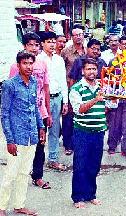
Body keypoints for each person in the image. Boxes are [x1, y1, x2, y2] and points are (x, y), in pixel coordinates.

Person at [0, 51, 46, 216]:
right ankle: (2, 207)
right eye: (25, 63)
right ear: (18, 65)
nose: (28, 66)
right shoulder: (9, 85)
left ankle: (19, 205)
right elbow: (4, 114)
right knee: (10, 174)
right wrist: (9, 140)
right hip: (16, 138)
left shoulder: (34, 82)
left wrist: (41, 128)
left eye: (31, 63)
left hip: (31, 136)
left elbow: (35, 108)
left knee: (24, 173)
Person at [9, 33, 52, 189]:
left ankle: (38, 176)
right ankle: (18, 177)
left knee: (40, 145)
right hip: (22, 115)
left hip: (39, 112)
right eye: (31, 45)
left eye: (36, 45)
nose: (34, 48)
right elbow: (12, 93)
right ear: (24, 46)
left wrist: (48, 112)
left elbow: (46, 88)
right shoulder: (16, 67)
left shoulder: (42, 64)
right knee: (21, 148)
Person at [69, 58, 107, 209]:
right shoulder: (77, 88)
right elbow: (79, 110)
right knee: (80, 165)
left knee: (94, 165)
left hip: (98, 131)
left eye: (94, 69)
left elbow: (109, 105)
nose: (91, 71)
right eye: (88, 69)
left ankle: (91, 194)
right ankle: (78, 197)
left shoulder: (102, 86)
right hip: (82, 132)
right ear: (82, 71)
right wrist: (95, 100)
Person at [37, 31, 69, 171]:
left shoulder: (59, 60)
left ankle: (53, 159)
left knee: (55, 130)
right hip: (41, 100)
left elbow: (63, 81)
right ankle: (36, 162)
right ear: (42, 43)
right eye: (48, 41)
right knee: (40, 130)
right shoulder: (38, 60)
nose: (52, 44)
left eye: (53, 41)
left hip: (57, 98)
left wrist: (65, 101)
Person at [61, 27, 86, 155]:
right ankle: (68, 144)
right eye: (76, 35)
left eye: (81, 34)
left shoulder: (87, 51)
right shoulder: (66, 52)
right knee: (68, 117)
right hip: (70, 88)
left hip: (84, 89)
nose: (78, 37)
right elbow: (61, 69)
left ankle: (79, 142)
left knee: (80, 116)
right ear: (71, 37)